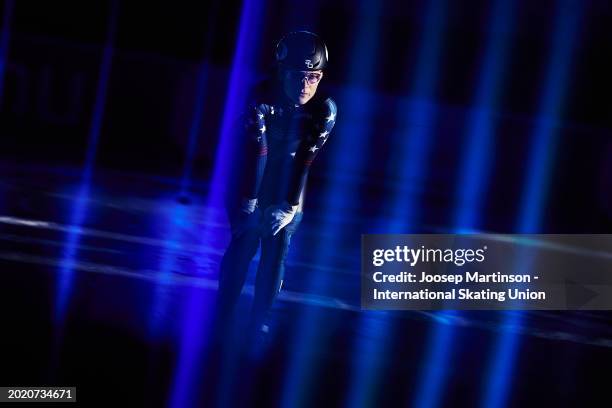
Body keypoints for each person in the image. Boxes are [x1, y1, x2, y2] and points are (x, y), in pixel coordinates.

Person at [214, 31, 338, 340]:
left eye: (313, 77)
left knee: (277, 248)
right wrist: (247, 205)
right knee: (244, 242)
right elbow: (258, 153)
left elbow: (305, 160)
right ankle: (221, 314)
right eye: (298, 76)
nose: (305, 85)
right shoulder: (261, 98)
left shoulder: (324, 109)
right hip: (249, 173)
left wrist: (289, 205)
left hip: (289, 177)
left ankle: (259, 319)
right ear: (282, 72)